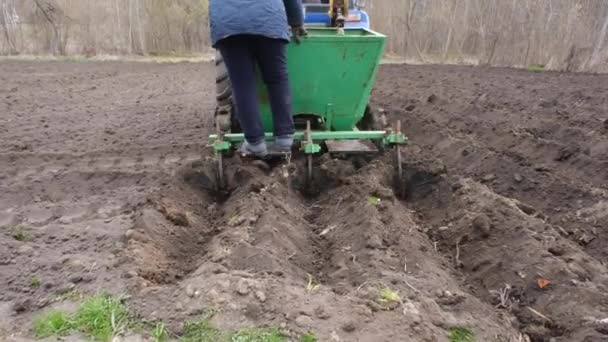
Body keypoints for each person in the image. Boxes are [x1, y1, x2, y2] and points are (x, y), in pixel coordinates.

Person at [209, 0, 307, 158]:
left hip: (229, 26)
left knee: (243, 85)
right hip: (269, 21)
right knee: (277, 80)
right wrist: (296, 22)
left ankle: (255, 144)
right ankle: (284, 140)